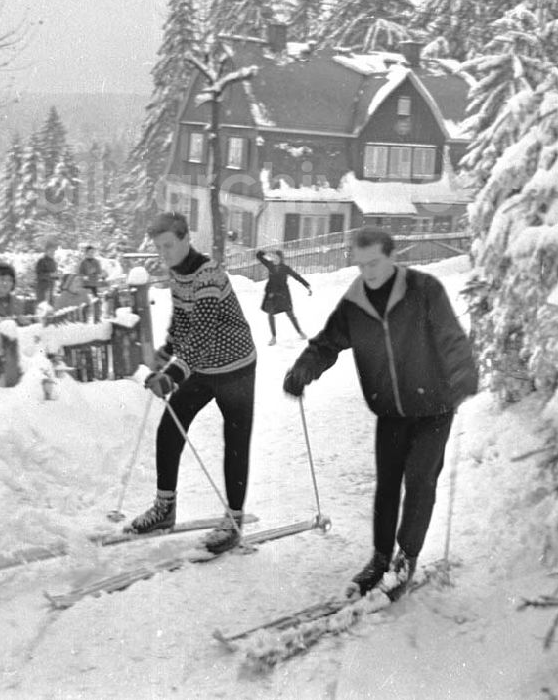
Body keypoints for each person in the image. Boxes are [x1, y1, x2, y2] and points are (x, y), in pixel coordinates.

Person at [283, 226, 477, 597]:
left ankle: (406, 556)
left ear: (392, 257)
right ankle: (380, 556)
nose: (368, 272)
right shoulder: (355, 304)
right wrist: (303, 370)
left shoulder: (424, 291)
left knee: (420, 481)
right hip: (390, 411)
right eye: (361, 265)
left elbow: (451, 337)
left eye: (374, 263)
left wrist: (463, 374)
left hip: (434, 407)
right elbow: (326, 344)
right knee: (387, 486)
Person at [128, 212, 257, 555]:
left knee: (235, 441)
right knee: (170, 425)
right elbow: (183, 322)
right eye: (159, 247)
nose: (164, 253)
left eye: (169, 245)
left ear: (186, 239)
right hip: (204, 366)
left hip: (236, 367)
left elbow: (201, 336)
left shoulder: (208, 274)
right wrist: (165, 353)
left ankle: (233, 521)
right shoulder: (178, 273)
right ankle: (164, 508)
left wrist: (171, 375)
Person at [255, 248, 311, 344]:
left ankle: (300, 332)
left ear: (281, 258)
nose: (275, 259)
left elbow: (297, 276)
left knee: (290, 314)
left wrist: (307, 285)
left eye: (277, 257)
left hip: (283, 295)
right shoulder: (270, 265)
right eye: (274, 257)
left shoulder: (285, 268)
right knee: (270, 314)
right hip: (272, 295)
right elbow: (259, 256)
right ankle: (273, 337)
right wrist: (265, 252)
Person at [35, 239, 60, 305]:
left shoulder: (54, 262)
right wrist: (51, 275)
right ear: (46, 251)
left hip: (51, 289)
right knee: (42, 307)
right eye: (51, 250)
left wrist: (58, 276)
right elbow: (39, 275)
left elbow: (54, 276)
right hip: (43, 289)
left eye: (54, 250)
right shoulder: (41, 261)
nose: (53, 252)